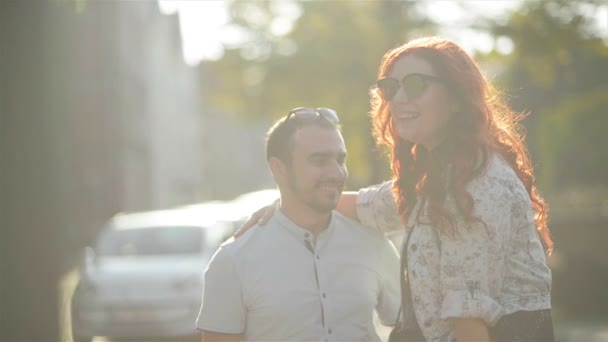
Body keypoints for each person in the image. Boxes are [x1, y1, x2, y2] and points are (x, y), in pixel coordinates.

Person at [238, 36, 555, 342]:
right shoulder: (443, 176)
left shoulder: (477, 185)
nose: (400, 98)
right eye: (391, 87)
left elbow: (469, 321)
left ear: (458, 98)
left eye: (416, 85)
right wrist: (287, 204)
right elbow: (373, 206)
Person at [197, 107, 401, 341]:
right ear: (279, 168)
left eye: (340, 159)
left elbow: (412, 327)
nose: (336, 172)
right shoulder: (233, 260)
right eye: (320, 160)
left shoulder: (371, 242)